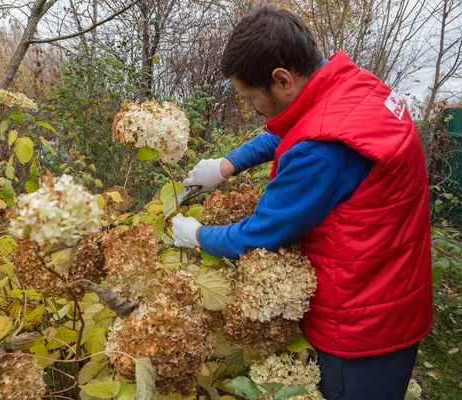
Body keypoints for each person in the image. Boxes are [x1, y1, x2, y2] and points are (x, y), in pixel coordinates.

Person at [172, 5, 433, 400]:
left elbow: (260, 234)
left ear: (282, 80)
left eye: (249, 97)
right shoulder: (357, 88)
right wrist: (228, 164)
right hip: (393, 293)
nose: (247, 108)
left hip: (359, 329)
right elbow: (305, 121)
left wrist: (197, 235)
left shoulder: (321, 154)